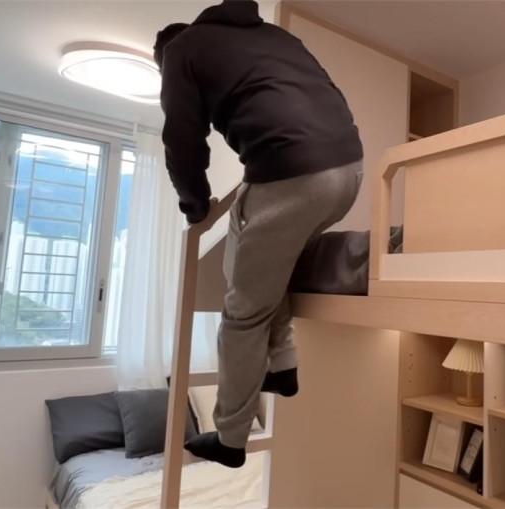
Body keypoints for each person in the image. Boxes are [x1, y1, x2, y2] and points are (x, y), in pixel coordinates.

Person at [154, 0, 363, 468]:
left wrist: (195, 207)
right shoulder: (274, 36)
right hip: (349, 170)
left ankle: (230, 438)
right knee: (258, 255)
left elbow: (182, 140)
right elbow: (328, 91)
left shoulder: (181, 51)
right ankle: (282, 366)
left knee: (242, 314)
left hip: (294, 175)